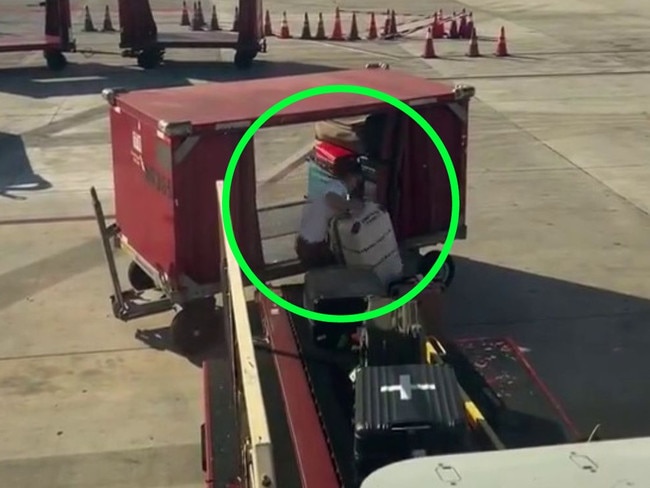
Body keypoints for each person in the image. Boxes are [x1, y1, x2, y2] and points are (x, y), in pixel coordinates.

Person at [295, 168, 364, 269]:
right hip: (312, 246)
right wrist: (351, 205)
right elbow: (330, 198)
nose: (355, 185)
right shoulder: (337, 186)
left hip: (309, 243)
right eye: (356, 181)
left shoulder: (331, 186)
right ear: (350, 177)